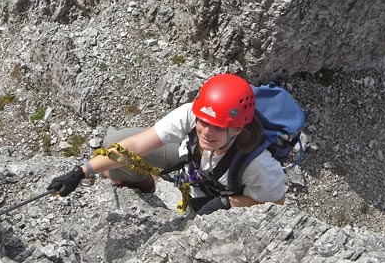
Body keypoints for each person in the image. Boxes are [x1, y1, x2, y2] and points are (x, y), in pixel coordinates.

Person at [47, 73, 286, 215]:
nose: (206, 131)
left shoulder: (257, 165)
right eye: (203, 121)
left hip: (220, 189)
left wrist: (227, 204)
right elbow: (136, 145)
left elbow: (276, 203)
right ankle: (143, 187)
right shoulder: (192, 115)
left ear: (238, 128)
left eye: (217, 127)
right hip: (194, 166)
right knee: (114, 142)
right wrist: (82, 171)